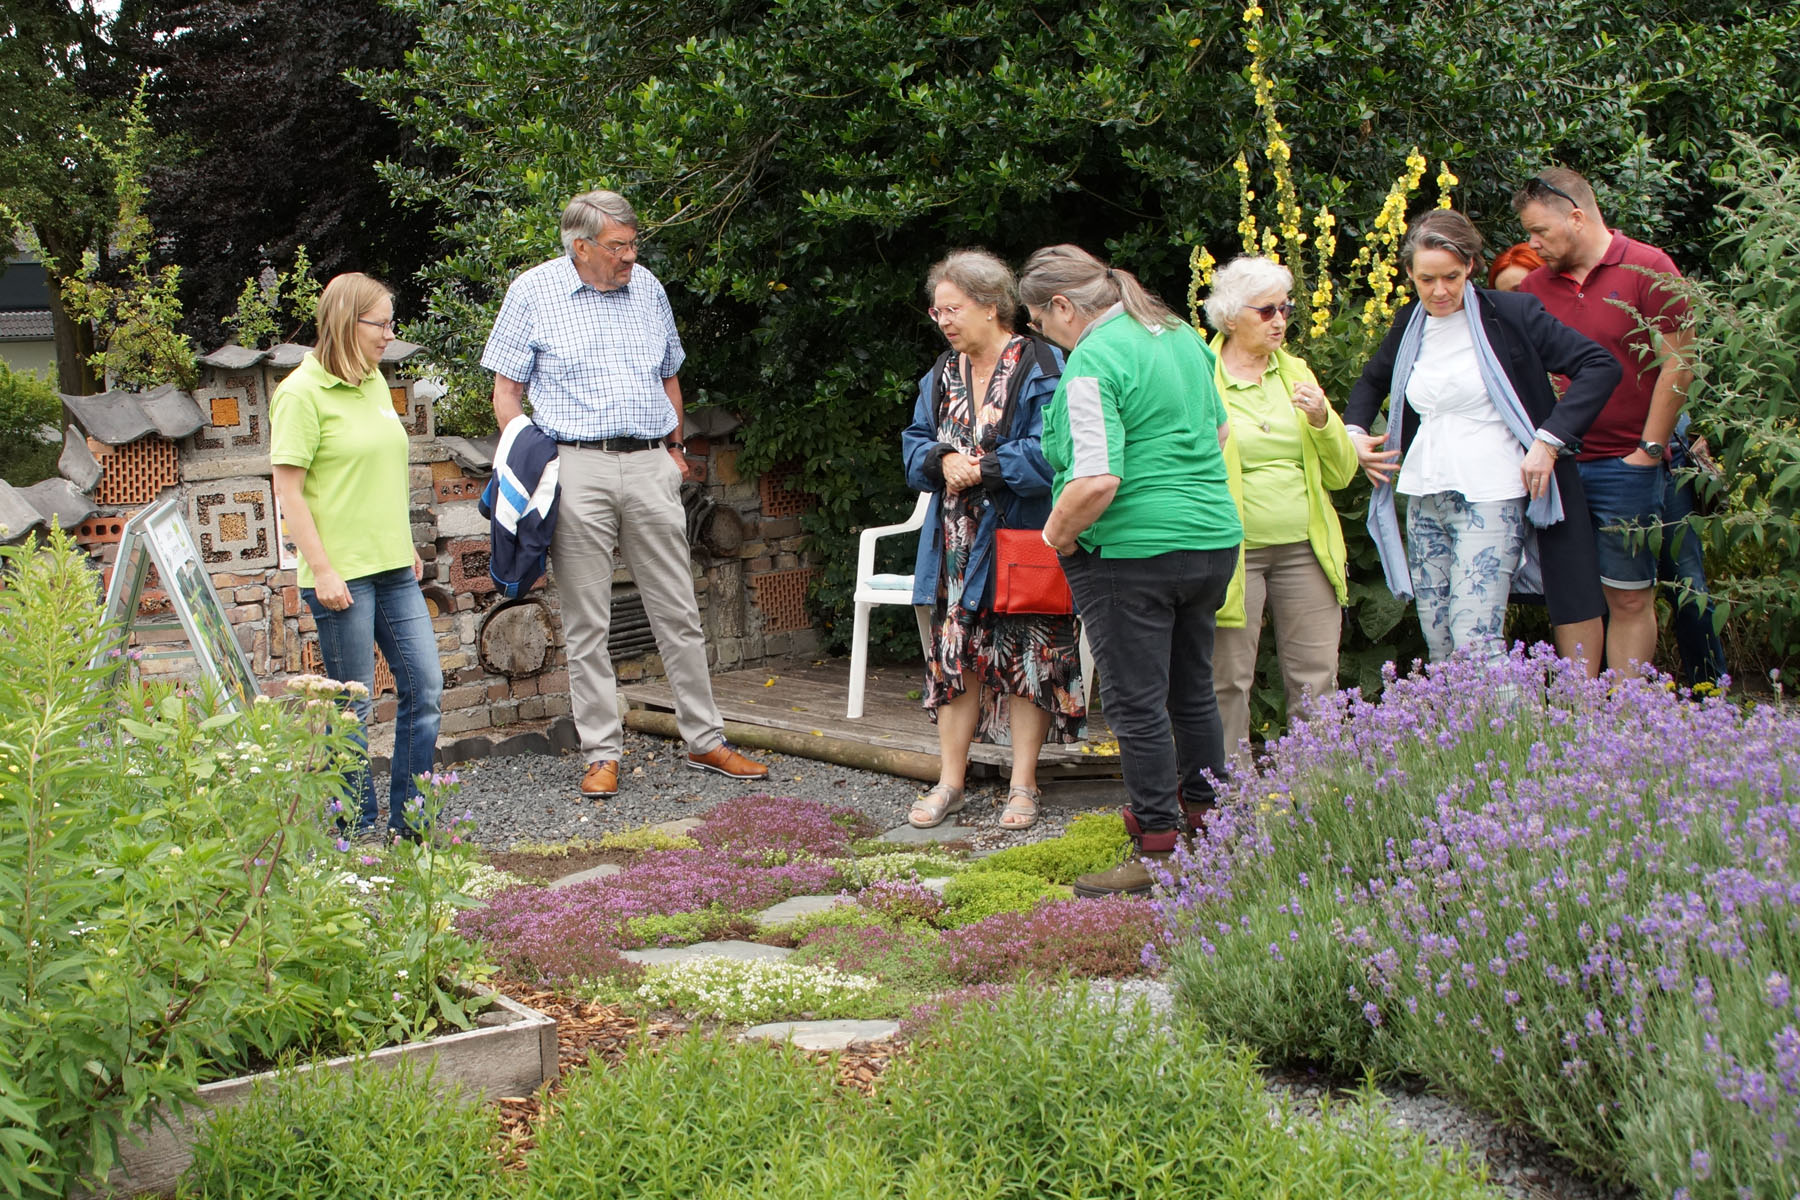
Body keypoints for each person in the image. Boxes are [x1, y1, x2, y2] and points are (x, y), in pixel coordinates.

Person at [481, 189, 768, 800]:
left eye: (635, 244)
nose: (631, 256)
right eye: (619, 246)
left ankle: (705, 739)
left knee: (678, 610)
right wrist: (527, 459)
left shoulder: (650, 289)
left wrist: (674, 452)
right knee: (588, 623)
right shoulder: (532, 292)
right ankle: (601, 752)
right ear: (580, 246)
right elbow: (506, 393)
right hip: (574, 464)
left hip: (648, 464)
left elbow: (670, 373)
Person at [1023, 245, 1242, 897]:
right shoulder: (1178, 335)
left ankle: (1158, 846)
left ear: (1063, 306)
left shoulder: (1093, 357)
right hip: (1210, 538)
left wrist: (1057, 536)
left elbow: (1096, 477)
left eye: (1041, 324)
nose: (1048, 340)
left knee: (1135, 702)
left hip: (1132, 550)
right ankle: (1207, 826)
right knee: (1192, 688)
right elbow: (1220, 433)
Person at [1345, 210, 1619, 671]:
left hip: (1493, 493)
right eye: (1426, 279)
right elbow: (1372, 381)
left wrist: (1548, 441)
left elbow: (1599, 365)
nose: (1439, 291)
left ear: (1470, 265)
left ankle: (1510, 742)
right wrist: (1354, 434)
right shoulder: (1410, 321)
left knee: (1475, 638)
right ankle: (1462, 743)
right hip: (1425, 492)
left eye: (1451, 277)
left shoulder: (1510, 313)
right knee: (1438, 637)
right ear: (1409, 273)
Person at [901, 250, 1084, 833]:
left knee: (1030, 654)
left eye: (953, 309)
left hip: (1022, 541)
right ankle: (950, 782)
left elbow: (1058, 450)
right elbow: (912, 444)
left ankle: (1023, 787)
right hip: (954, 546)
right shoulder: (941, 373)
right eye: (937, 311)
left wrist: (983, 468)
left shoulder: (1042, 364)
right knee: (954, 657)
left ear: (990, 305)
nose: (944, 320)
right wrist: (942, 457)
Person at [1511, 168, 1703, 673]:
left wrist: (1649, 451)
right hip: (1560, 465)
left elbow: (1679, 364)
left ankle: (1624, 721)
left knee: (1631, 596)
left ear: (1576, 217)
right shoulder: (1533, 288)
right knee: (1573, 600)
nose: (1533, 244)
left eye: (1540, 232)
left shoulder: (1648, 268)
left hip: (1627, 464)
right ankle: (1582, 721)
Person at [271, 272, 443, 840]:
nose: (390, 336)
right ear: (348, 323)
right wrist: (321, 568)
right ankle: (350, 825)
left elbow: (380, 472)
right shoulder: (299, 393)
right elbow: (288, 491)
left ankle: (411, 820)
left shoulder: (372, 381)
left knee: (426, 687)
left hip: (393, 568)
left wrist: (406, 545)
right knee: (352, 710)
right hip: (340, 576)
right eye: (382, 324)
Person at [1202, 256, 1358, 767]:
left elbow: (1340, 474)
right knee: (1227, 676)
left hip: (1304, 548)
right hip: (1231, 548)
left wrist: (1322, 421)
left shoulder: (1297, 372)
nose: (1279, 320)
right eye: (1266, 310)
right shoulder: (1203, 377)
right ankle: (1230, 790)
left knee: (1316, 672)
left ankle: (1320, 785)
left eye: (1285, 308)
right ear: (1230, 317)